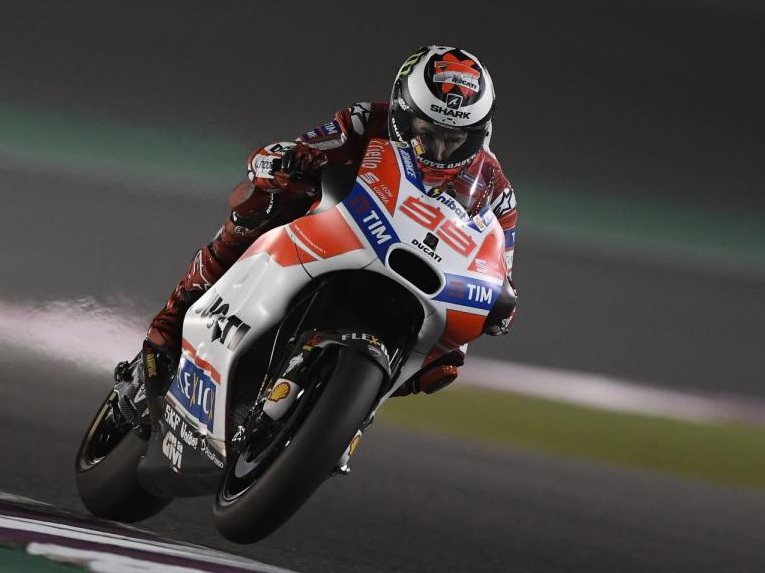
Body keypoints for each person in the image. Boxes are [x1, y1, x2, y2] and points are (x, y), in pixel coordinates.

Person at [114, 45, 518, 425]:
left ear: (480, 132)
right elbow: (285, 154)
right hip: (341, 235)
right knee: (265, 202)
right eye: (426, 132)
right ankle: (172, 320)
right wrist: (283, 163)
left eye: (454, 139)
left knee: (444, 367)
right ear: (401, 110)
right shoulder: (365, 121)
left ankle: (347, 413)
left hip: (420, 277)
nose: (440, 149)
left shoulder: (496, 189)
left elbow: (501, 265)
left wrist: (502, 302)